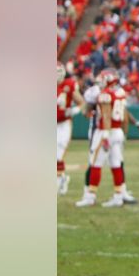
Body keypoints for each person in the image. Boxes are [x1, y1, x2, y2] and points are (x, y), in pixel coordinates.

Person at [75, 68, 138, 208]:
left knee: (95, 164)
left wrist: (105, 135)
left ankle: (90, 196)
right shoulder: (120, 92)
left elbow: (106, 115)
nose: (100, 82)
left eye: (103, 79)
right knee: (116, 164)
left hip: (105, 131)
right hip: (118, 132)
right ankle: (118, 196)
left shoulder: (105, 94)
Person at [57, 63, 84, 195]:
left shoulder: (68, 85)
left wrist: (74, 110)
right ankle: (61, 178)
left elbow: (82, 102)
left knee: (58, 153)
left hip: (63, 124)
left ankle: (60, 180)